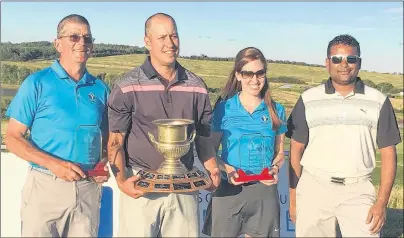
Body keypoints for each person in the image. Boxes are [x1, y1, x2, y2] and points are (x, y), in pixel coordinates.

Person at [106, 12, 220, 237]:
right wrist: (121, 180)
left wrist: (212, 168)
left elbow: (204, 137)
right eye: (162, 37)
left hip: (184, 185)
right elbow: (115, 140)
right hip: (141, 184)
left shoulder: (197, 86)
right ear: (147, 42)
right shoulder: (127, 86)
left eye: (174, 36)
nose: (170, 43)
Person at [5, 14, 110, 237]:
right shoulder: (37, 83)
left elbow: (107, 138)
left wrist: (102, 163)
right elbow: (13, 137)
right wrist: (54, 164)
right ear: (58, 43)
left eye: (87, 38)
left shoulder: (100, 89)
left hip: (87, 188)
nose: (82, 43)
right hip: (45, 186)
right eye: (74, 36)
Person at [287, 34, 402, 237]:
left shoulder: (379, 101)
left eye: (351, 59)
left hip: (358, 190)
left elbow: (388, 154)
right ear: (327, 62)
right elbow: (296, 149)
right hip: (313, 188)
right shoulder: (308, 98)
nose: (344, 65)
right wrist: (294, 196)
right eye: (337, 59)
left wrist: (382, 203)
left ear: (359, 63)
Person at [202, 47, 287, 237]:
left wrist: (274, 169)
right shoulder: (223, 109)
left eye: (260, 73)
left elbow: (280, 153)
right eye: (248, 73)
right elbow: (211, 152)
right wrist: (228, 169)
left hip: (264, 193)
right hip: (229, 190)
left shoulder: (277, 110)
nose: (254, 80)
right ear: (238, 75)